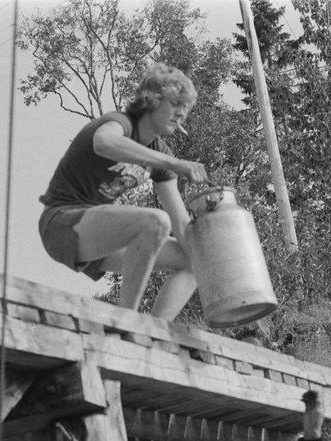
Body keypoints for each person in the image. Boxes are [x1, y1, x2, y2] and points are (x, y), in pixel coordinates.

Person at [37, 62, 208, 320]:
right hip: (61, 223)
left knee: (194, 259)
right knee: (155, 221)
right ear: (152, 100)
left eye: (185, 109)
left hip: (98, 236)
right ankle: (126, 322)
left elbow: (180, 222)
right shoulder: (120, 123)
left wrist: (212, 264)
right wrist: (173, 163)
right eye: (175, 105)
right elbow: (104, 142)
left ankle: (153, 332)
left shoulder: (160, 154)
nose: (181, 114)